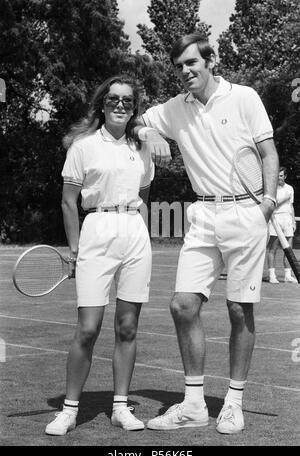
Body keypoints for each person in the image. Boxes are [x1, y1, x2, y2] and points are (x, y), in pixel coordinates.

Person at [134, 32, 279, 434]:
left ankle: (233, 402)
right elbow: (134, 121)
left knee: (239, 309)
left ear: (210, 60)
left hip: (246, 212)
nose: (185, 72)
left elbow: (268, 152)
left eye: (192, 64)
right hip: (201, 215)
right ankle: (194, 404)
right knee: (182, 305)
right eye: (179, 66)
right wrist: (149, 133)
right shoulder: (174, 109)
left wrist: (267, 202)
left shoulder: (245, 97)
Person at [45, 76, 155, 435]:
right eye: (113, 99)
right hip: (97, 231)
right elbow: (68, 202)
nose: (120, 104)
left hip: (135, 233)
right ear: (102, 104)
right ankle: (69, 410)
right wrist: (75, 250)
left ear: (134, 107)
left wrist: (141, 233)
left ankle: (121, 407)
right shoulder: (83, 146)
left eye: (127, 100)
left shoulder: (142, 147)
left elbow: (145, 195)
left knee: (127, 327)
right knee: (88, 328)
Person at [267, 167, 297, 283]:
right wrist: (284, 198)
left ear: (285, 176)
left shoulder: (290, 188)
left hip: (288, 220)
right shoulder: (271, 189)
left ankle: (287, 275)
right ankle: (272, 275)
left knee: (289, 249)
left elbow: (291, 206)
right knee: (272, 248)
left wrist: (293, 221)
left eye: (280, 176)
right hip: (275, 219)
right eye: (277, 175)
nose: (278, 178)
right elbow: (273, 205)